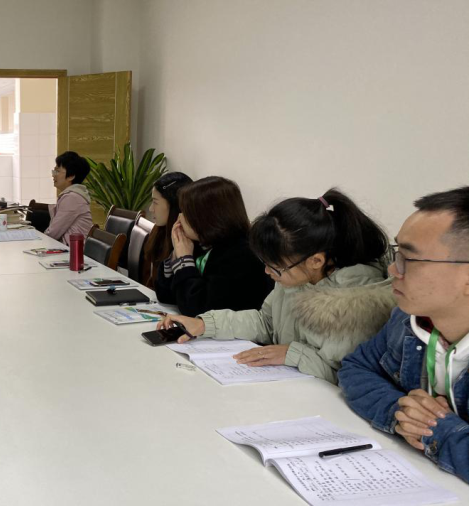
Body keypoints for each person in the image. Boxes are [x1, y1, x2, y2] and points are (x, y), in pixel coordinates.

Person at [157, 189, 395, 384]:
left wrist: (292, 353)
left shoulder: (355, 303)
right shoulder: (297, 276)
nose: (267, 273)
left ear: (316, 261)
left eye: (276, 267)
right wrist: (204, 324)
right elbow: (266, 322)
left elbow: (344, 375)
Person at [339, 187, 469, 482]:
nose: (392, 270)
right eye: (397, 254)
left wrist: (434, 430)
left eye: (409, 259)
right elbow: (356, 367)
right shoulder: (408, 320)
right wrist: (399, 412)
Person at [153, 176, 273, 315]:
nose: (179, 218)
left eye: (186, 212)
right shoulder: (202, 244)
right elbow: (165, 296)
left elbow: (197, 310)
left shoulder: (241, 255)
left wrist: (184, 260)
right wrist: (175, 257)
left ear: (206, 218)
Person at [143, 172, 193, 287]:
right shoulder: (159, 232)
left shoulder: (188, 243)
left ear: (175, 205)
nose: (151, 209)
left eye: (155, 202)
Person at [44, 151, 94, 245]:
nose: (53, 175)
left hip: (76, 251)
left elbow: (53, 233)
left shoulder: (72, 198)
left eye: (57, 171)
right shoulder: (73, 195)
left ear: (71, 176)